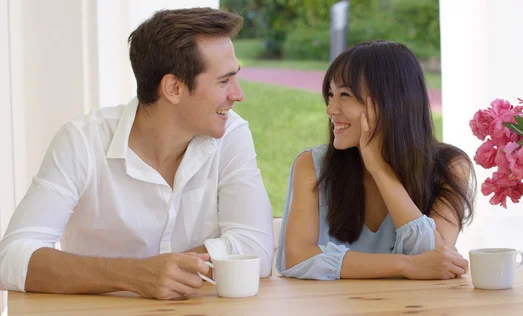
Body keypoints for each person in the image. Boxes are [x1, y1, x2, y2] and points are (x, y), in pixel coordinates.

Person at [0, 7, 274, 299]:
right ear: (173, 88)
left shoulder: (231, 134)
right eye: (224, 81)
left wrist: (165, 272)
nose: (238, 94)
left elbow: (255, 248)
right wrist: (133, 275)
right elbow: (12, 260)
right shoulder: (83, 141)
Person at [276, 41, 475, 280]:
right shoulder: (312, 165)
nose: (330, 109)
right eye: (330, 95)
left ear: (390, 102)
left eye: (345, 95)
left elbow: (435, 259)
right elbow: (297, 258)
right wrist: (406, 265)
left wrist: (379, 169)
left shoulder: (450, 166)